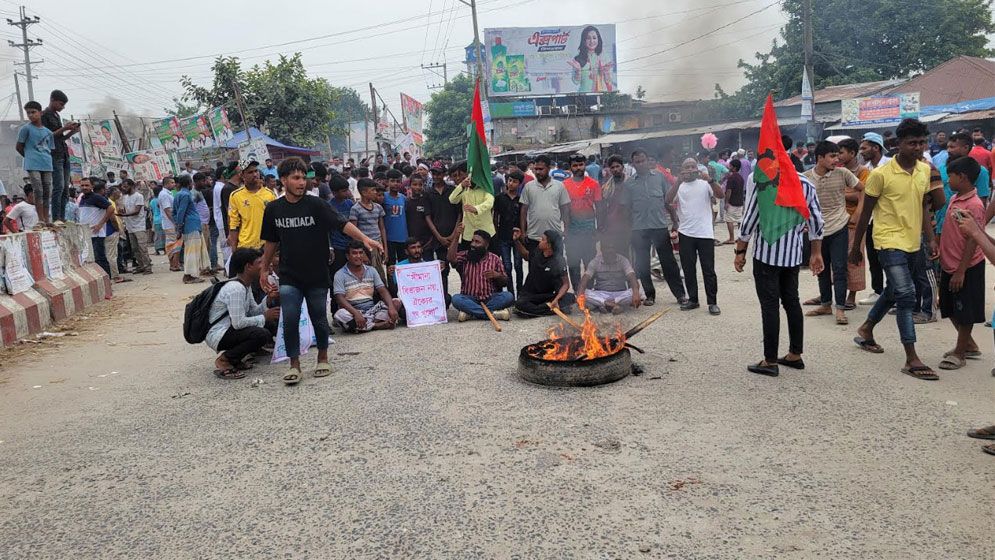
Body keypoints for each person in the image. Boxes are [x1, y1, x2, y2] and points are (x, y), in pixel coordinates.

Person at [260, 157, 384, 384]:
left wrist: (365, 239)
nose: (301, 183)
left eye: (303, 178)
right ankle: (294, 364)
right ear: (284, 180)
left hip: (317, 273)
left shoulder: (316, 205)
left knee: (319, 317)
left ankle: (323, 357)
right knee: (289, 318)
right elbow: (270, 241)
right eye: (296, 178)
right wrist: (264, 268)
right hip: (289, 275)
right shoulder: (274, 210)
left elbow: (342, 224)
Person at [849, 118, 946, 381]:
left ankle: (867, 328)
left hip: (914, 242)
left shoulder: (925, 171)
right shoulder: (880, 175)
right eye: (912, 143)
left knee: (894, 290)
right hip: (887, 240)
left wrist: (931, 239)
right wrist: (856, 247)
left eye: (921, 142)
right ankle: (911, 357)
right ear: (898, 144)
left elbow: (925, 206)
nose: (918, 147)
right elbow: (865, 212)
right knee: (905, 295)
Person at [734, 161, 825, 377]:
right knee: (791, 301)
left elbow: (750, 219)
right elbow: (816, 221)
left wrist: (740, 252)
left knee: (770, 305)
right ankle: (795, 354)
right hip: (792, 255)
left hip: (767, 254)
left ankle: (770, 360)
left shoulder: (765, 183)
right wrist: (816, 252)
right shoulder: (807, 184)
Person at [934, 156, 986, 371]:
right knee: (948, 307)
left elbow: (974, 239)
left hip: (966, 266)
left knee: (965, 311)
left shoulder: (974, 204)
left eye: (951, 177)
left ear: (962, 177)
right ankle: (969, 345)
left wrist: (962, 270)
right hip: (949, 263)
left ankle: (960, 352)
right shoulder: (955, 198)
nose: (948, 181)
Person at [801, 141, 862, 325]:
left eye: (838, 155)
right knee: (821, 267)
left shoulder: (843, 173)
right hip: (817, 230)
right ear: (820, 158)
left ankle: (840, 309)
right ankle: (826, 304)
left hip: (839, 226)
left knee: (839, 268)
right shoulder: (805, 177)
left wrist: (858, 212)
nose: (837, 159)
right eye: (832, 156)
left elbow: (863, 189)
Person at [205, 248, 280, 380]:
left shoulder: (245, 285)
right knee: (261, 334)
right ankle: (224, 360)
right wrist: (264, 317)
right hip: (219, 333)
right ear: (248, 267)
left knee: (267, 324)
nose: (264, 266)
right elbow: (238, 323)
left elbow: (253, 311)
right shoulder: (236, 288)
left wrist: (267, 299)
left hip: (229, 329)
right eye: (260, 263)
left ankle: (236, 359)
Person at [627, 149, 686, 306]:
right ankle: (650, 295)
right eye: (637, 162)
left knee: (669, 262)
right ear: (633, 164)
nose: (640, 164)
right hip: (638, 229)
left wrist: (675, 221)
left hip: (659, 226)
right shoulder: (629, 183)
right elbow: (627, 208)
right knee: (642, 264)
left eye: (643, 160)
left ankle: (680, 295)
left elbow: (667, 201)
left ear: (648, 161)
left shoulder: (660, 177)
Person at [669, 158, 724, 314]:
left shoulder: (705, 183)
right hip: (686, 233)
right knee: (688, 269)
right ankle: (693, 300)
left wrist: (711, 180)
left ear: (698, 168)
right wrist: (677, 181)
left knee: (709, 270)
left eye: (693, 166)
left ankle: (712, 302)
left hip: (705, 233)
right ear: (682, 169)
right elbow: (667, 200)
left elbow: (720, 195)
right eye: (687, 167)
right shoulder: (679, 186)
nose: (690, 169)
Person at [447, 224, 513, 322]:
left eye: (477, 242)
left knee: (508, 296)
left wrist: (497, 275)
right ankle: (493, 314)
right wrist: (456, 237)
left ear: (486, 245)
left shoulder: (494, 259)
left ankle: (471, 313)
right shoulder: (466, 256)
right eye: (472, 241)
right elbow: (450, 258)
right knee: (456, 299)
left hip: (490, 298)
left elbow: (504, 281)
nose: (473, 244)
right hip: (469, 298)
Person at [333, 241, 400, 333]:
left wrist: (391, 307)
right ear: (347, 256)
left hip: (373, 310)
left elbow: (382, 290)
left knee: (396, 302)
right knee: (340, 315)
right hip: (353, 311)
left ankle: (365, 325)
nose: (358, 256)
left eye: (361, 253)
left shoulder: (371, 270)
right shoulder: (340, 274)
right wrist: (356, 313)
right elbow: (339, 299)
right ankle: (377, 325)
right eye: (354, 253)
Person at [512, 228, 575, 317]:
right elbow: (526, 255)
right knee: (520, 304)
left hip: (547, 295)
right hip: (531, 295)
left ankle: (538, 310)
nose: (539, 241)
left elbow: (566, 284)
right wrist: (516, 241)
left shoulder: (558, 261)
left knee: (571, 298)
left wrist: (556, 299)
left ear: (549, 245)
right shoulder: (537, 251)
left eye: (543, 239)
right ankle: (551, 309)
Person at [562, 153, 602, 291]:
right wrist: (565, 231)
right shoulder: (564, 185)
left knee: (589, 263)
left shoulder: (594, 184)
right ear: (570, 168)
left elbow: (599, 208)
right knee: (573, 264)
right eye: (575, 165)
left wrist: (599, 230)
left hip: (589, 228)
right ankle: (577, 293)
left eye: (581, 165)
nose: (578, 168)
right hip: (572, 229)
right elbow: (564, 210)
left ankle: (589, 292)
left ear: (585, 165)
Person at [837, 138, 869, 308]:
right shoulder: (837, 170)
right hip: (837, 219)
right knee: (835, 258)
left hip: (855, 221)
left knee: (854, 256)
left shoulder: (863, 172)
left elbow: (861, 195)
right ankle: (832, 292)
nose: (838, 156)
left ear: (852, 153)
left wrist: (846, 193)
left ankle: (852, 295)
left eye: (841, 152)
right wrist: (851, 193)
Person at [519, 154, 571, 257]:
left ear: (549, 168)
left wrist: (567, 230)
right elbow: (523, 211)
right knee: (535, 269)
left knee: (556, 269)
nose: (538, 172)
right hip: (534, 237)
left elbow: (565, 209)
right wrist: (523, 232)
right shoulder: (529, 187)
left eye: (541, 169)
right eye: (536, 169)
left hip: (555, 236)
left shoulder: (559, 186)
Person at [40, 90, 78, 223]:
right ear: (52, 100)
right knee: (59, 187)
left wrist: (71, 132)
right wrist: (64, 128)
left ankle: (62, 217)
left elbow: (60, 138)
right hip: (54, 155)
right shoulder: (43, 115)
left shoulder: (56, 115)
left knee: (66, 189)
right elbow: (47, 136)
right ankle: (56, 217)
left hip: (63, 153)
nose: (62, 107)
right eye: (61, 104)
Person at [577, 238, 642, 314]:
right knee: (583, 293)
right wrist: (580, 295)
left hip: (619, 293)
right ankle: (613, 305)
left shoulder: (623, 260)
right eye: (607, 248)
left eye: (612, 248)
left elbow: (632, 276)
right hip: (601, 293)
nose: (610, 250)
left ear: (615, 249)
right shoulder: (595, 261)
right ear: (602, 249)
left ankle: (603, 305)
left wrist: (636, 293)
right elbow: (585, 279)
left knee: (637, 291)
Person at [16, 101, 54, 226]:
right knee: (38, 189)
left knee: (47, 190)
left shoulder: (48, 132)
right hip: (32, 164)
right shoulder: (25, 129)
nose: (31, 115)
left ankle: (47, 219)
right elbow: (19, 146)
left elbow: (50, 149)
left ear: (40, 113)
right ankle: (41, 219)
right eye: (28, 113)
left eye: (33, 112)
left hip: (47, 164)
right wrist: (29, 157)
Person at [423, 162, 460, 292]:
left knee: (461, 267)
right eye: (434, 173)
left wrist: (454, 234)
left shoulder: (453, 190)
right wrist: (439, 237)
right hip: (438, 239)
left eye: (438, 173)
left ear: (444, 174)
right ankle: (444, 299)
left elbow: (459, 214)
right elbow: (427, 217)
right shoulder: (428, 193)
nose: (436, 176)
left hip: (455, 237)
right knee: (442, 270)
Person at [227, 161, 275, 253]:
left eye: (256, 171)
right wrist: (234, 248)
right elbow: (234, 224)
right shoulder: (236, 196)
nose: (255, 174)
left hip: (266, 246)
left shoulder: (270, 195)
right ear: (242, 175)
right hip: (245, 246)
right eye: (250, 172)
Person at [448, 160, 496, 251]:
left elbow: (490, 201)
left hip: (486, 232)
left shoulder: (484, 187)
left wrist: (476, 209)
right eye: (461, 175)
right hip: (469, 234)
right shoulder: (463, 189)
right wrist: (461, 186)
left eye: (464, 174)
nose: (461, 177)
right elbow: (452, 200)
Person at [173, 175, 210, 284]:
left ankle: (190, 274)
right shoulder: (185, 195)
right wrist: (179, 228)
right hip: (191, 225)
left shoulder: (179, 194)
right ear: (189, 183)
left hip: (191, 225)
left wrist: (178, 226)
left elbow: (175, 212)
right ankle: (188, 276)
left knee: (192, 251)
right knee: (192, 252)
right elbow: (181, 212)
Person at [494, 169, 525, 297]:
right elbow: (495, 217)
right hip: (503, 236)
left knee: (518, 265)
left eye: (514, 181)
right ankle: (511, 293)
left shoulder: (521, 199)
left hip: (517, 237)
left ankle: (521, 292)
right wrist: (496, 232)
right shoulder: (500, 198)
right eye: (509, 181)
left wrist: (523, 233)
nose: (511, 183)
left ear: (519, 184)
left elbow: (524, 217)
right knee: (507, 266)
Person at [350, 178, 388, 280]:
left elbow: (382, 228)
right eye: (373, 190)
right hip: (364, 246)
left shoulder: (378, 207)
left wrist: (385, 248)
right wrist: (361, 252)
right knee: (367, 275)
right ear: (364, 192)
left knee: (380, 274)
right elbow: (354, 232)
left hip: (378, 244)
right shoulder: (355, 209)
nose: (376, 192)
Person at [78, 177, 114, 277]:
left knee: (99, 257)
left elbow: (111, 208)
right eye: (82, 185)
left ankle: (107, 279)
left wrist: (100, 224)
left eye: (87, 185)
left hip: (97, 234)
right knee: (92, 258)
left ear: (92, 186)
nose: (84, 187)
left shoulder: (96, 197)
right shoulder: (82, 198)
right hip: (87, 234)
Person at [597, 155, 631, 254]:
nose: (615, 169)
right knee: (614, 253)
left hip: (628, 224)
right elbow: (602, 208)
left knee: (629, 253)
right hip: (612, 225)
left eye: (617, 166)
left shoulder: (631, 183)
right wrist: (601, 225)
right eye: (612, 167)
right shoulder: (606, 187)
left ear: (622, 167)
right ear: (609, 169)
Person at [118, 179, 152, 274]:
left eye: (126, 186)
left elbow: (137, 211)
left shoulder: (138, 196)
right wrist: (122, 212)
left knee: (142, 248)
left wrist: (124, 215)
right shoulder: (125, 197)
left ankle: (147, 267)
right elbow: (124, 210)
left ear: (132, 186)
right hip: (130, 226)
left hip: (139, 226)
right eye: (123, 187)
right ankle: (141, 266)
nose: (124, 188)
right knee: (135, 248)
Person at [194, 172, 220, 273]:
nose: (207, 182)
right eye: (205, 180)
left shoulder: (199, 192)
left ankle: (208, 266)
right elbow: (193, 207)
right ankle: (206, 267)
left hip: (206, 222)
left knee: (208, 244)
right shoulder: (196, 193)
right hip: (202, 223)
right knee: (206, 245)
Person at [383, 168, 408, 264]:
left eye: (398, 181)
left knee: (403, 263)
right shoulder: (384, 197)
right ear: (387, 182)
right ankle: (391, 280)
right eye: (392, 181)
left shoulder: (403, 198)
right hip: (389, 238)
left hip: (402, 237)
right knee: (391, 264)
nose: (395, 184)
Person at [722, 159, 746, 245]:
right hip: (739, 202)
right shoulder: (741, 178)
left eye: (730, 166)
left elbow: (729, 191)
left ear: (734, 168)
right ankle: (739, 237)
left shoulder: (731, 178)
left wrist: (726, 202)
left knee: (729, 220)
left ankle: (731, 238)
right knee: (739, 220)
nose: (729, 167)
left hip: (732, 202)